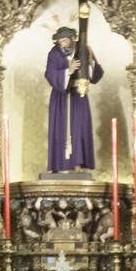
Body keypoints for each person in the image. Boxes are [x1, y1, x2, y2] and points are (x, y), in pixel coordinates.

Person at [45, 26, 104, 172]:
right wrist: (68, 71)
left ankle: (78, 163)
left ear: (73, 38)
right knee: (60, 128)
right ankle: (59, 165)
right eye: (61, 41)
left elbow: (96, 76)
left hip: (78, 95)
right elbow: (49, 73)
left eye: (67, 40)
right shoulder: (54, 53)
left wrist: (91, 63)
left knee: (79, 128)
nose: (64, 43)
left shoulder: (84, 50)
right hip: (61, 98)